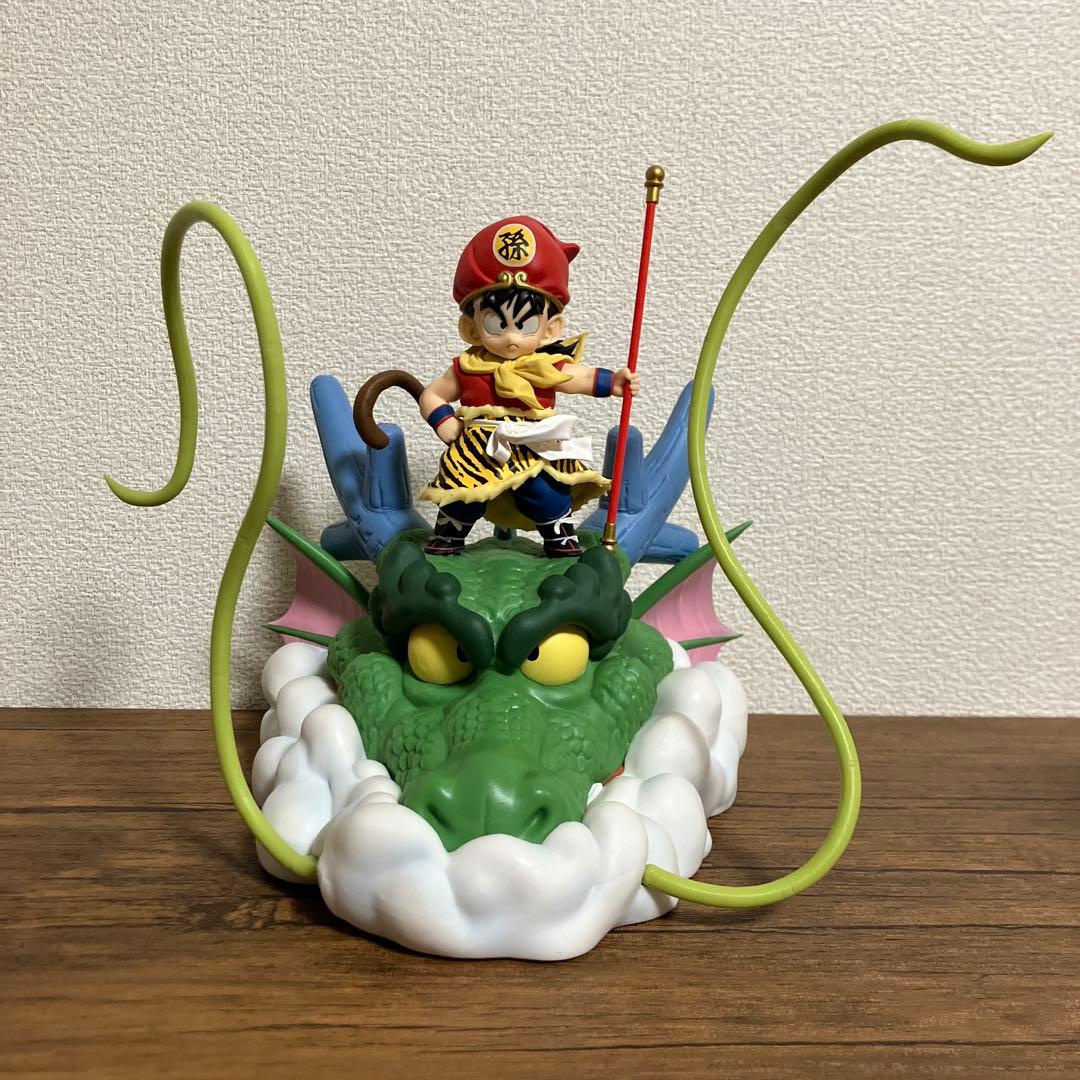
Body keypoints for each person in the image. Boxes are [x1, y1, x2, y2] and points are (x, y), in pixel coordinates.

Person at [418, 216, 638, 557]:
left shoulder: (544, 366)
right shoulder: (467, 366)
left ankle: (559, 536)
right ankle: (448, 535)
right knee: (463, 493)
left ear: (550, 329)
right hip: (478, 447)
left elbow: (579, 377)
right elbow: (432, 394)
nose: (511, 337)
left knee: (545, 490)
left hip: (533, 444)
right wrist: (443, 420)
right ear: (471, 328)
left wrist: (614, 382)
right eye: (496, 324)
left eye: (526, 325)